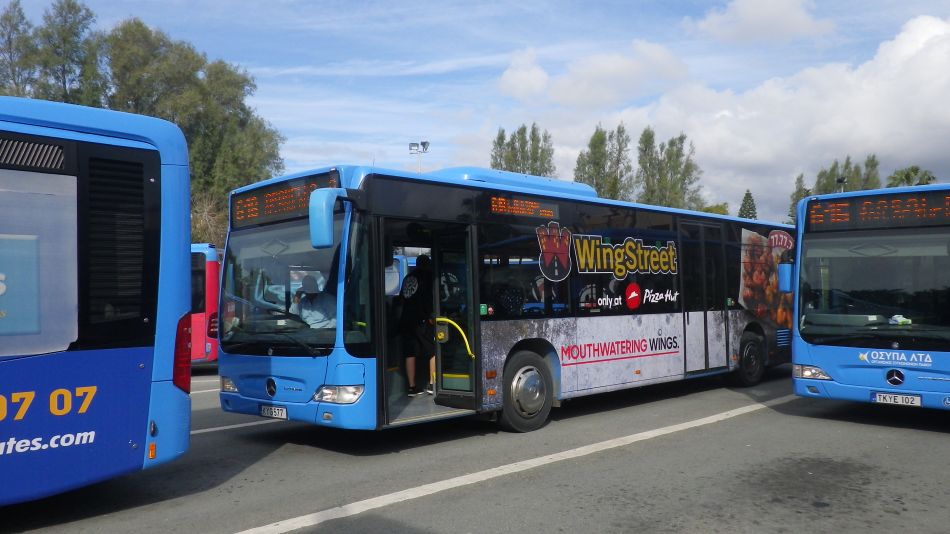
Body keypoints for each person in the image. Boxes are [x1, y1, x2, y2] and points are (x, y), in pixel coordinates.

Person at [399, 254, 435, 396]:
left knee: (410, 353)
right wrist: (431, 316)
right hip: (422, 320)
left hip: (406, 319)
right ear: (427, 265)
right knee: (432, 351)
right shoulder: (428, 277)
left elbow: (402, 299)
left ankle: (412, 387)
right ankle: (432, 385)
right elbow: (428, 300)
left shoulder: (408, 278)